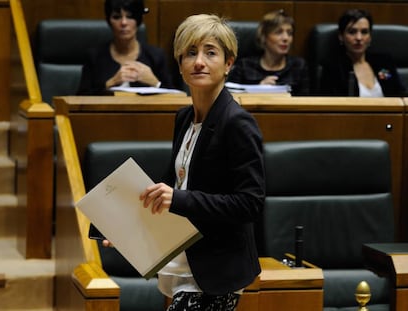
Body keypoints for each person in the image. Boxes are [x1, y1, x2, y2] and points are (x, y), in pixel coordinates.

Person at [103, 13, 265, 310]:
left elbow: (250, 203)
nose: (199, 61)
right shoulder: (184, 118)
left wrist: (179, 199)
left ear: (229, 63)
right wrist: (127, 228)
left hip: (216, 269)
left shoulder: (238, 124)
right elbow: (168, 190)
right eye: (190, 53)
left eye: (210, 52)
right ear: (179, 65)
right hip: (183, 261)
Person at [77, 0, 173, 95]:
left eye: (130, 17)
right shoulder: (94, 56)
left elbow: (175, 97)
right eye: (116, 17)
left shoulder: (156, 56)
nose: (123, 23)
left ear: (139, 20)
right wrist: (110, 83)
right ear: (108, 21)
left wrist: (155, 82)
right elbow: (80, 98)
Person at [319, 9, 406, 97]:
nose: (359, 38)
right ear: (341, 36)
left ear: (370, 37)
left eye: (364, 32)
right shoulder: (334, 68)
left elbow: (399, 93)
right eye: (352, 32)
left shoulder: (383, 64)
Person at [227, 9, 309, 95]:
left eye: (289, 33)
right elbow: (231, 99)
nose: (286, 38)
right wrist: (260, 89)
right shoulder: (244, 66)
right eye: (278, 32)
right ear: (264, 37)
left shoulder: (298, 66)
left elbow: (307, 102)